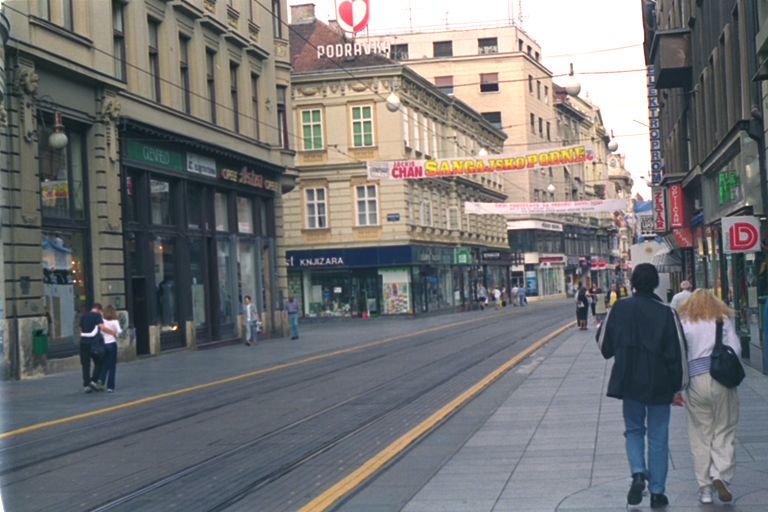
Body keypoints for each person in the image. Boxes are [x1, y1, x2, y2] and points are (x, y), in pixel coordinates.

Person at [597, 263, 688, 508]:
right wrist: (678, 387)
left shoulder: (619, 308)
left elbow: (604, 345)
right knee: (658, 435)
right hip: (659, 383)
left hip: (629, 381)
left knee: (634, 430)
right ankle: (657, 492)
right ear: (656, 283)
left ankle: (638, 472)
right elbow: (678, 352)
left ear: (633, 283)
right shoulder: (667, 312)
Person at [677, 289, 741, 504]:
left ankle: (705, 489)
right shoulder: (721, 319)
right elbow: (736, 349)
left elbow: (681, 353)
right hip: (721, 379)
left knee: (700, 435)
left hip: (696, 381)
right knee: (725, 428)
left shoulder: (685, 322)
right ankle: (720, 474)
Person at [79, 303, 115, 393]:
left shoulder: (84, 316)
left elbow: (81, 328)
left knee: (85, 365)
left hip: (83, 343)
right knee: (100, 362)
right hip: (94, 343)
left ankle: (86, 385)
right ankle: (93, 380)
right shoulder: (97, 316)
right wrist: (112, 332)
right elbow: (102, 327)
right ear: (99, 309)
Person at [99, 304, 122, 393]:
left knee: (105, 363)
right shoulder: (114, 321)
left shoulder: (102, 320)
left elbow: (100, 330)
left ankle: (101, 379)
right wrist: (115, 333)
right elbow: (119, 331)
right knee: (112, 366)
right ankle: (110, 386)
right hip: (112, 343)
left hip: (103, 344)